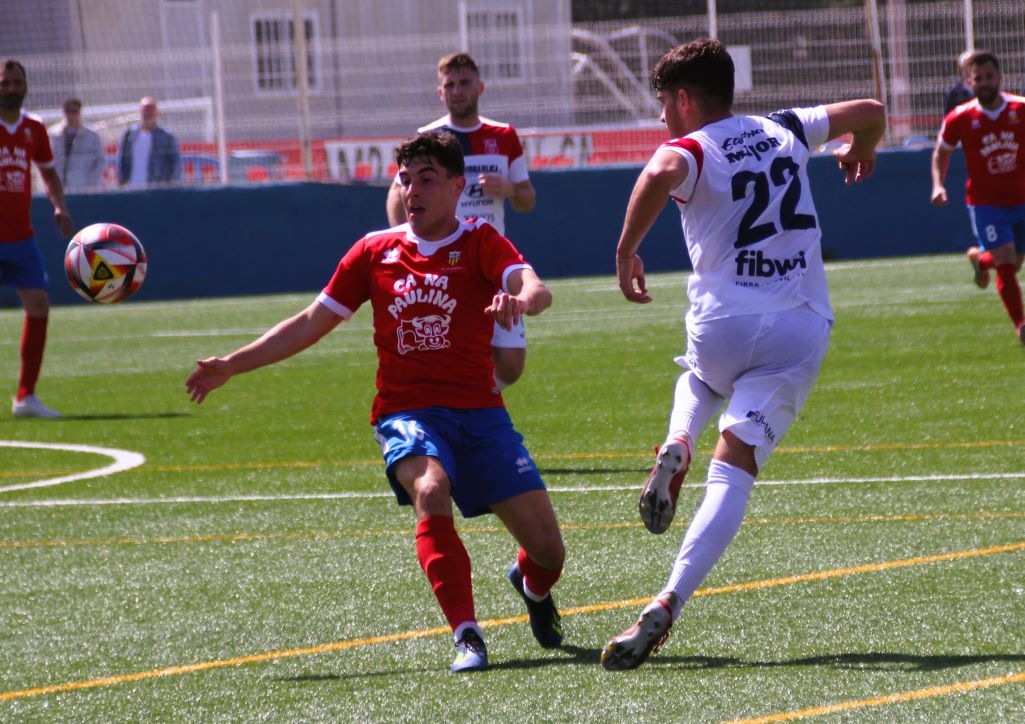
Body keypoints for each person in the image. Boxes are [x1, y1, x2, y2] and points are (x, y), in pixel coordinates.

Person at [186, 131, 564, 673]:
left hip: (482, 415)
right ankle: (467, 636)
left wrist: (520, 300)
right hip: (406, 414)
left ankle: (531, 586)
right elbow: (310, 323)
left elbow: (536, 288)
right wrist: (232, 364)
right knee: (430, 487)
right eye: (405, 180)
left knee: (549, 552)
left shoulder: (480, 240)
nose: (413, 190)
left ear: (457, 187)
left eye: (427, 179)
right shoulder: (374, 250)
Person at [598, 39, 885, 671]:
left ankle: (679, 440)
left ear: (683, 99)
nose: (662, 117)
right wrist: (861, 149)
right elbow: (871, 110)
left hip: (723, 323)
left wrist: (626, 251)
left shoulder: (693, 147)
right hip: (798, 325)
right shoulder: (785, 126)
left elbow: (659, 171)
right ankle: (670, 598)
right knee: (734, 469)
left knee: (701, 377)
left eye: (663, 104)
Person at [385, 53, 536, 389]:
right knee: (448, 346)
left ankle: (469, 399)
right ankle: (460, 404)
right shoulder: (429, 137)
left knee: (511, 365)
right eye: (449, 85)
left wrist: (509, 189)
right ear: (440, 92)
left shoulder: (504, 135)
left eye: (464, 83)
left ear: (480, 87)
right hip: (443, 260)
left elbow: (527, 199)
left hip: (490, 258)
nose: (457, 91)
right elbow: (397, 194)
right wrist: (407, 241)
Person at [931, 50, 1025, 345]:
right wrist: (938, 185)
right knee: (1006, 262)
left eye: (989, 77)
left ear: (999, 78)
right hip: (986, 203)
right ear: (969, 82)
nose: (984, 83)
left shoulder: (1020, 109)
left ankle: (980, 261)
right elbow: (941, 153)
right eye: (978, 78)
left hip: (1021, 199)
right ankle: (1021, 325)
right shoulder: (960, 117)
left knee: (1014, 261)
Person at [0, 59, 75, 418]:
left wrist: (59, 206)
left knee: (39, 304)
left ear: (26, 86)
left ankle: (25, 397)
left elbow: (48, 172)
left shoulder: (34, 128)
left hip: (20, 238)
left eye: (16, 82)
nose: (11, 89)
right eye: (5, 83)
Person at [117, 96, 181, 187]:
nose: (147, 114)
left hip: (156, 188)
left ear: (156, 113)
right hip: (132, 187)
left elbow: (175, 164)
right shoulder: (129, 134)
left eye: (151, 110)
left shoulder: (166, 137)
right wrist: (122, 181)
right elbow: (122, 160)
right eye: (145, 110)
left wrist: (171, 185)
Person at [48, 97, 107, 191]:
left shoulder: (92, 135)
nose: (71, 115)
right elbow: (47, 160)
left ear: (79, 112)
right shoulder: (53, 134)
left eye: (74, 112)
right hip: (58, 187)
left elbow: (101, 161)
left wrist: (90, 183)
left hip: (83, 188)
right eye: (68, 112)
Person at [943, 50, 974, 116]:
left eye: (971, 65)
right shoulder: (954, 93)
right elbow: (948, 115)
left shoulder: (984, 89)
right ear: (961, 68)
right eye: (965, 66)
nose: (968, 69)